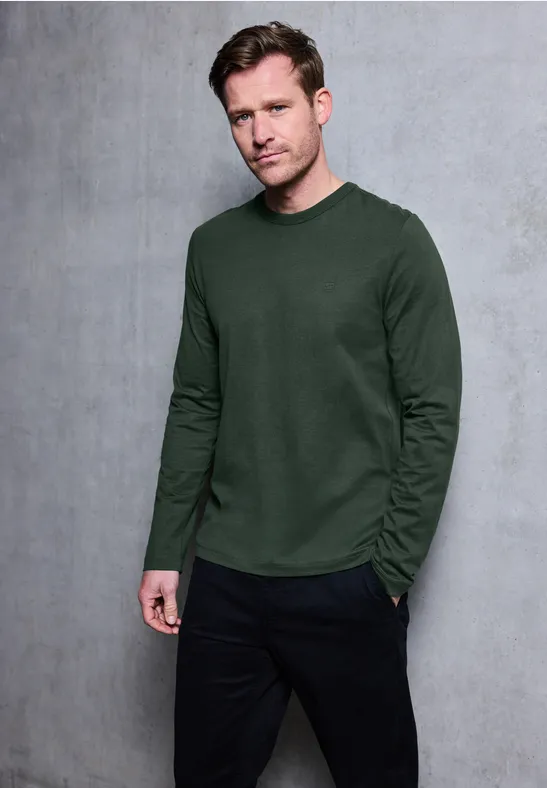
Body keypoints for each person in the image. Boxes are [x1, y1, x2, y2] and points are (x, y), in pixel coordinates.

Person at [137, 20, 462, 788]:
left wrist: (387, 573)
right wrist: (164, 550)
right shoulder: (213, 248)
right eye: (240, 117)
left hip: (348, 576)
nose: (259, 134)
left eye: (276, 108)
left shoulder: (394, 241)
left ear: (320, 105)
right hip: (226, 578)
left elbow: (431, 412)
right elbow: (196, 403)